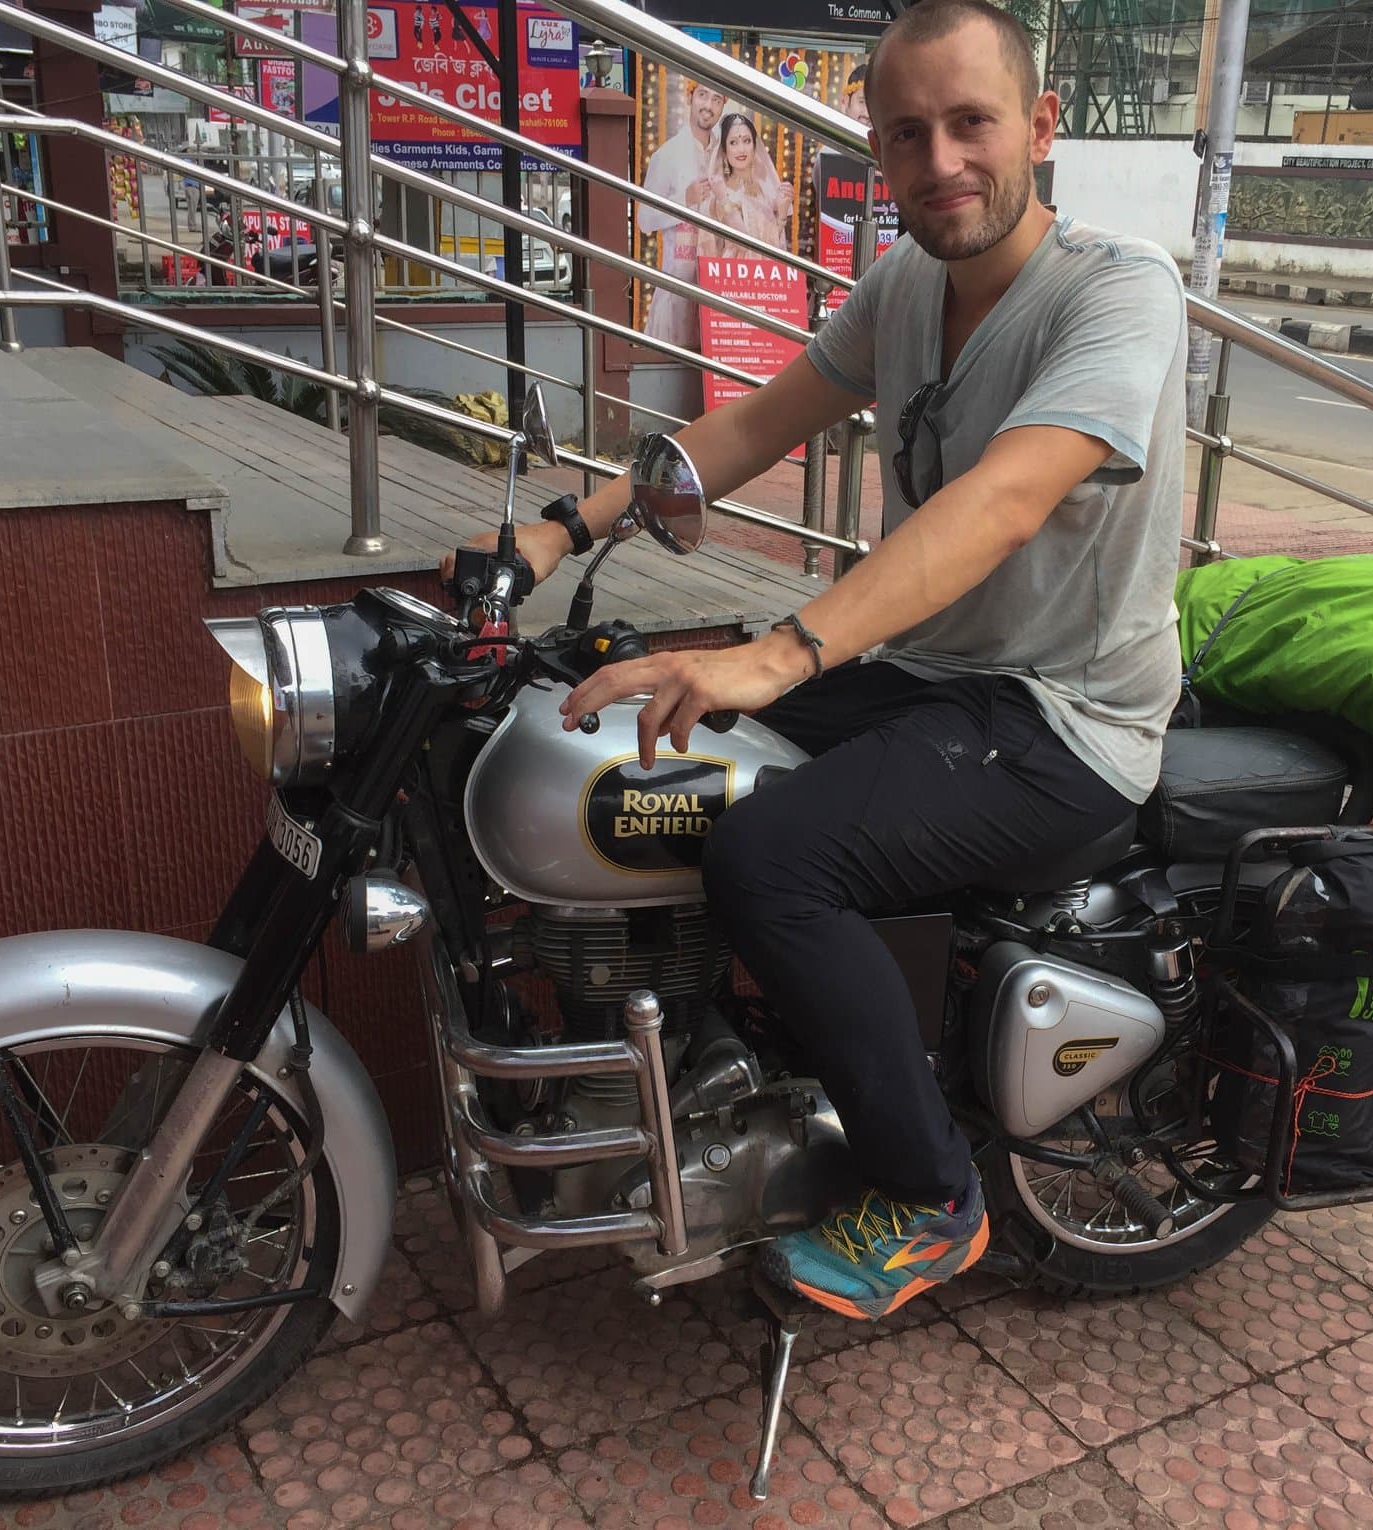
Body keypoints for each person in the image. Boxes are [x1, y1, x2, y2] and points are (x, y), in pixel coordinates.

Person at [445, 0, 1185, 1320]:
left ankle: (930, 1197)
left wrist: (778, 651)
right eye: (909, 134)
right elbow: (751, 425)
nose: (942, 160)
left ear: (1041, 128)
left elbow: (1009, 498)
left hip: (1067, 713)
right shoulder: (907, 284)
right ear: (876, 151)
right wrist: (562, 528)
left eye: (972, 123)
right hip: (938, 675)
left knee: (771, 854)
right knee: (672, 764)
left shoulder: (1117, 289)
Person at [637, 78, 728, 351]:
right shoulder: (668, 155)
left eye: (716, 99)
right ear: (690, 98)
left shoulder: (726, 154)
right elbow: (644, 219)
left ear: (723, 105)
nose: (708, 106)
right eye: (702, 95)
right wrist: (684, 201)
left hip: (717, 285)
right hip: (678, 284)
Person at [689, 112, 794, 259]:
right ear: (724, 151)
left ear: (754, 146)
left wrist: (782, 215)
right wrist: (723, 198)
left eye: (746, 141)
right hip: (729, 276)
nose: (741, 149)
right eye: (733, 142)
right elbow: (742, 242)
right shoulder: (717, 191)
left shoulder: (761, 192)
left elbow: (770, 247)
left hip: (761, 276)